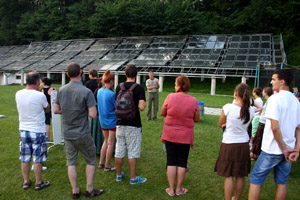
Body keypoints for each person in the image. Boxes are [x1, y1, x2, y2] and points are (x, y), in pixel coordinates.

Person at [54, 63, 104, 199]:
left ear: (67, 74)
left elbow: (56, 110)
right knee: (91, 159)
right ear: (81, 72)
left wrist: (69, 110)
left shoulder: (61, 90)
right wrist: (81, 110)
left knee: (71, 162)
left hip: (68, 133)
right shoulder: (86, 91)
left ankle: (75, 190)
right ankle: (89, 189)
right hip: (82, 133)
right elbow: (93, 114)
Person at [248, 69, 300, 200]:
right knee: (281, 182)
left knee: (255, 179)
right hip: (289, 149)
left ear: (282, 82)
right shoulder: (296, 101)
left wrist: (284, 149)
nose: (271, 82)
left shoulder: (274, 99)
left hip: (273, 149)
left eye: (273, 79)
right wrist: (296, 149)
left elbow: (275, 128)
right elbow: (298, 129)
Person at [161, 75, 200, 196]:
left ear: (178, 86)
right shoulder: (193, 100)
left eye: (175, 84)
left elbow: (162, 112)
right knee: (182, 162)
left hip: (170, 134)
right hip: (185, 136)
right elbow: (197, 118)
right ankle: (179, 189)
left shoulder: (170, 97)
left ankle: (171, 189)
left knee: (171, 160)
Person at [215, 83, 255, 200]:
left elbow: (220, 123)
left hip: (229, 143)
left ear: (236, 93)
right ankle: (236, 198)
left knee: (228, 175)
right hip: (243, 144)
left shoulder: (228, 107)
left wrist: (226, 125)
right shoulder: (251, 110)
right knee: (240, 175)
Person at [15, 72, 50, 191]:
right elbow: (47, 109)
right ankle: (39, 182)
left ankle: (26, 181)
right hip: (37, 130)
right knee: (37, 158)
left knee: (24, 157)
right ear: (37, 82)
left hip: (24, 128)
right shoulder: (40, 96)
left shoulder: (18, 93)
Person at [115, 64, 147, 184]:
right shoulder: (139, 88)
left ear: (125, 74)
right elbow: (142, 107)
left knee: (119, 149)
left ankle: (118, 175)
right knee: (132, 151)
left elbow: (117, 103)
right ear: (136, 74)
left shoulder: (119, 87)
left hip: (119, 123)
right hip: (133, 124)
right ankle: (133, 178)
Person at [97, 70, 117, 171]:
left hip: (103, 121)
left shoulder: (100, 91)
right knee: (110, 143)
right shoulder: (112, 94)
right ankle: (107, 165)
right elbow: (116, 107)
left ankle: (101, 162)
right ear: (112, 81)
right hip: (112, 121)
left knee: (105, 141)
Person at [251, 87, 273, 160]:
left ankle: (256, 154)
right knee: (257, 137)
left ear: (266, 93)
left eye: (263, 91)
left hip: (263, 122)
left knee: (258, 138)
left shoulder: (270, 101)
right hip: (261, 121)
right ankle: (254, 153)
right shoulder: (268, 101)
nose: (262, 92)